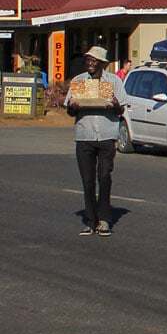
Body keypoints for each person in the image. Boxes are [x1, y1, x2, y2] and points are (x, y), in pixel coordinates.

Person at [63, 46, 125, 237]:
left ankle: (104, 220)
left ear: (102, 63)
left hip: (107, 135)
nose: (90, 63)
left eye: (94, 60)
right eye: (88, 60)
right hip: (85, 136)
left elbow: (121, 110)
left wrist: (114, 104)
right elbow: (70, 111)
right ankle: (91, 220)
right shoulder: (78, 81)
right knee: (88, 181)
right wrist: (73, 106)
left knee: (104, 177)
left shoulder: (113, 81)